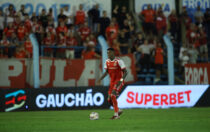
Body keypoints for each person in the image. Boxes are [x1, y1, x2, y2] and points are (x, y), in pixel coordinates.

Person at [96, 48, 127, 119]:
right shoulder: (107, 62)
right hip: (112, 82)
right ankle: (118, 110)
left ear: (113, 53)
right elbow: (107, 72)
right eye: (107, 53)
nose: (108, 54)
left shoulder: (119, 61)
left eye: (109, 53)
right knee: (109, 100)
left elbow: (125, 72)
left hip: (119, 81)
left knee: (113, 95)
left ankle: (116, 115)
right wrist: (100, 79)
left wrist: (121, 80)